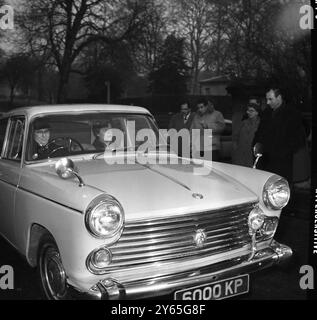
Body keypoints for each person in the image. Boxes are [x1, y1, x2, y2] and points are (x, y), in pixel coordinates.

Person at [253, 88, 307, 183]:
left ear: (279, 97)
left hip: (282, 162)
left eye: (270, 99)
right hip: (265, 160)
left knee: (281, 189)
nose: (268, 102)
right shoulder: (266, 113)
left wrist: (284, 151)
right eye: (267, 99)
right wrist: (256, 144)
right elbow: (259, 133)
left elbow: (299, 137)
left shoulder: (292, 114)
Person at [232, 102, 261, 167]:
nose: (248, 112)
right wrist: (236, 149)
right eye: (248, 110)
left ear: (257, 112)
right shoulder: (243, 123)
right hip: (240, 155)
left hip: (252, 155)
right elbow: (235, 137)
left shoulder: (261, 124)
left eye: (251, 111)